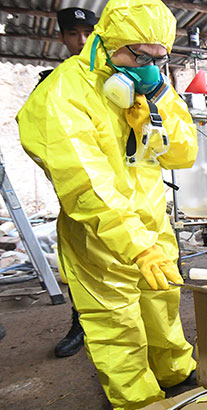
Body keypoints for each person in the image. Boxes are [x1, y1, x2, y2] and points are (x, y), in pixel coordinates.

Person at [17, 0, 198, 410]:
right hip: (100, 236)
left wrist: (156, 103)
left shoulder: (147, 84)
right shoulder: (63, 93)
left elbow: (185, 152)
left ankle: (175, 373)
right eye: (140, 56)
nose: (150, 65)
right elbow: (85, 182)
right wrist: (135, 245)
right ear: (110, 41)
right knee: (116, 323)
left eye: (159, 57)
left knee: (162, 302)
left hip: (152, 223)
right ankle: (139, 409)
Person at [39, 7, 98, 359]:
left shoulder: (115, 78)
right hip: (76, 190)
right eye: (73, 34)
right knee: (77, 259)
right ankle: (81, 323)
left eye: (87, 33)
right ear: (62, 38)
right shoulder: (50, 83)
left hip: (119, 189)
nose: (82, 41)